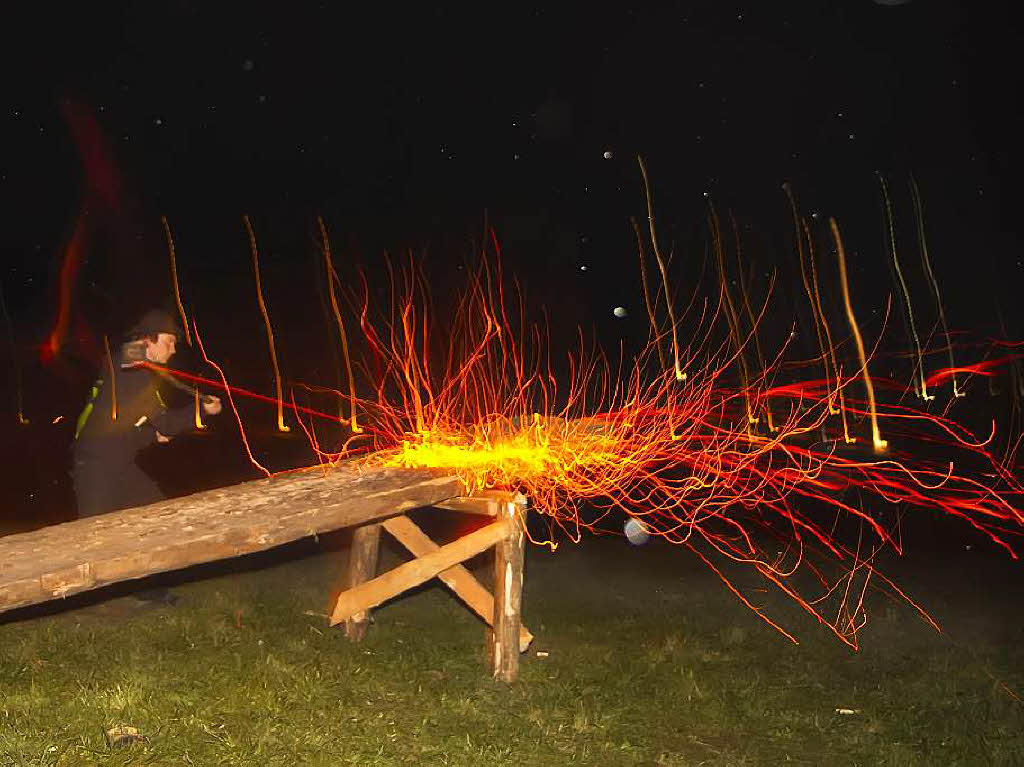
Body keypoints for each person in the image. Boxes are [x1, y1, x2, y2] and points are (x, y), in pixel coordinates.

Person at [71, 309, 222, 602]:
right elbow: (165, 422)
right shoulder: (133, 372)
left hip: (119, 465)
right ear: (149, 341)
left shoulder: (130, 367)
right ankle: (69, 599)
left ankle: (146, 589)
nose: (174, 348)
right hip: (95, 467)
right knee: (89, 538)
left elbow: (123, 424)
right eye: (169, 341)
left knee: (155, 515)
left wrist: (150, 434)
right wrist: (203, 410)